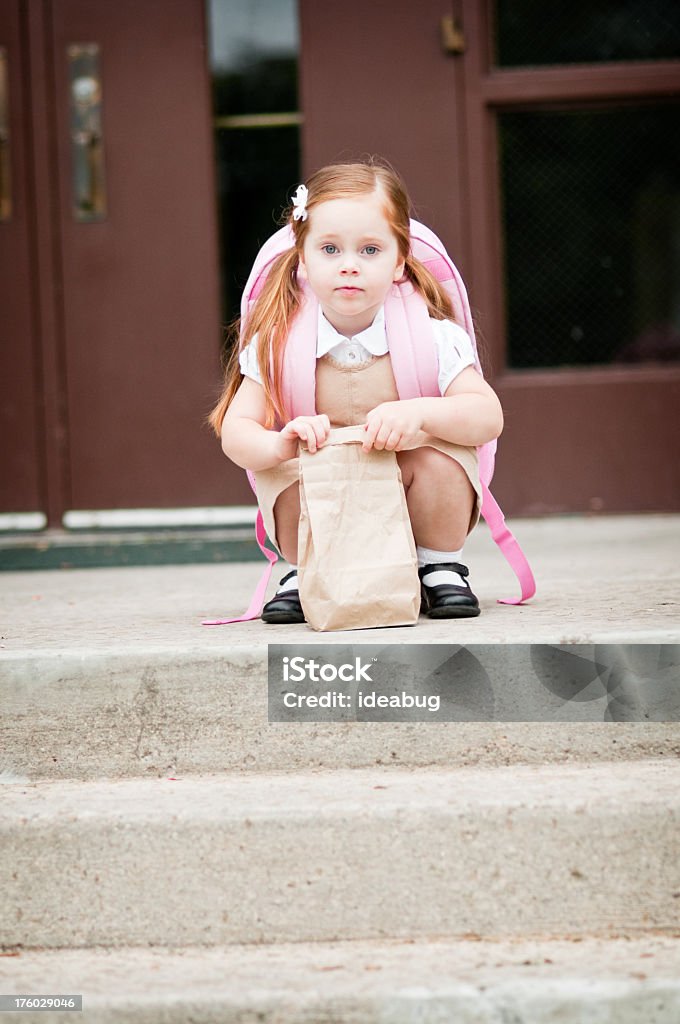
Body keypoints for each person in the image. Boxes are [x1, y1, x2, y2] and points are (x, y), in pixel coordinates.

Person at [209, 160, 503, 624]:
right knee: (285, 470)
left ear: (400, 260)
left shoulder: (432, 337)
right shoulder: (277, 344)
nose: (349, 266)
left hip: (406, 493)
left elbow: (488, 416)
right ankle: (302, 568)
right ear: (302, 258)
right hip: (321, 505)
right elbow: (236, 430)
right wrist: (279, 442)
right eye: (329, 249)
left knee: (439, 458)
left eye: (370, 250)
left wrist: (422, 415)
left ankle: (437, 563)